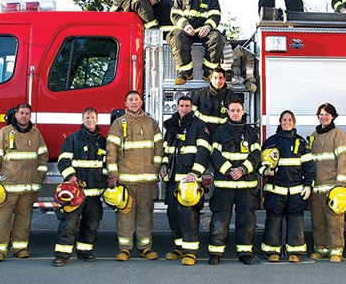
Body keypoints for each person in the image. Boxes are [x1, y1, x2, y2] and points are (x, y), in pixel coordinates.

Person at [0, 103, 48, 262]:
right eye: (22, 113)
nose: (24, 116)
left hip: (28, 187)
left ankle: (20, 248)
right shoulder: (5, 132)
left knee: (24, 219)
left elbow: (43, 155)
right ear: (16, 114)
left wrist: (40, 175)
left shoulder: (36, 134)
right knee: (2, 218)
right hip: (8, 186)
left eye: (27, 113)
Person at [105, 90, 164, 261]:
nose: (134, 103)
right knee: (125, 214)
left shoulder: (151, 123)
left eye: (136, 100)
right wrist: (113, 173)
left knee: (146, 214)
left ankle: (145, 247)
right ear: (126, 104)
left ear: (141, 102)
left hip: (147, 179)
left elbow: (159, 146)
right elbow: (111, 151)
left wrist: (156, 166)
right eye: (130, 100)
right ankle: (125, 248)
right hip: (126, 179)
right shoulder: (118, 123)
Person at [207, 98, 261, 265]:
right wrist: (230, 170)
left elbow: (256, 155)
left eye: (238, 110)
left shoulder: (252, 132)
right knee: (220, 218)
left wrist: (242, 170)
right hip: (225, 184)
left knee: (246, 219)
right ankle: (216, 252)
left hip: (246, 185)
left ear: (243, 111)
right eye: (233, 110)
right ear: (228, 112)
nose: (236, 113)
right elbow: (214, 154)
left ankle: (245, 252)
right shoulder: (220, 131)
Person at [52, 107, 107, 267]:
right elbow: (63, 160)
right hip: (77, 193)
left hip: (95, 192)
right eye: (87, 118)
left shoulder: (102, 141)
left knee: (92, 223)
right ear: (82, 120)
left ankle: (85, 251)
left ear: (97, 119)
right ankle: (62, 255)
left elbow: (106, 165)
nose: (90, 120)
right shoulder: (73, 139)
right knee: (69, 223)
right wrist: (71, 176)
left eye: (92, 117)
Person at [160, 96, 212, 266]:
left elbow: (203, 152)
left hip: (190, 181)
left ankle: (190, 252)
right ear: (177, 107)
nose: (184, 108)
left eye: (187, 106)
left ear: (192, 107)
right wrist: (163, 166)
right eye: (181, 105)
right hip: (173, 182)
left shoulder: (199, 126)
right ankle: (179, 248)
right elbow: (166, 151)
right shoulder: (172, 126)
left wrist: (195, 173)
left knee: (189, 217)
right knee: (173, 215)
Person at [259, 110, 315, 263]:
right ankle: (272, 252)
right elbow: (260, 166)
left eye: (290, 120)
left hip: (296, 190)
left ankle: (295, 252)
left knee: (296, 221)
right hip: (276, 190)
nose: (287, 122)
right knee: (273, 221)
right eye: (284, 120)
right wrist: (266, 171)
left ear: (294, 122)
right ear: (280, 122)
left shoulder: (301, 142)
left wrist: (308, 185)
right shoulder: (271, 141)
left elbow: (309, 167)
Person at [167, 0, 226, 85]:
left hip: (204, 31)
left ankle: (209, 73)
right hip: (186, 31)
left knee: (217, 38)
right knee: (177, 37)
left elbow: (215, 15)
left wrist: (208, 26)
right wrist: (185, 25)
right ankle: (185, 73)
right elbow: (175, 15)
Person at [308, 103, 346, 262]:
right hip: (317, 187)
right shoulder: (314, 135)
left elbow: (344, 159)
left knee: (335, 221)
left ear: (333, 116)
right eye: (321, 114)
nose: (324, 117)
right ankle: (321, 248)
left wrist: (340, 184)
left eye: (327, 114)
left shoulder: (338, 134)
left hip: (333, 187)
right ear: (318, 116)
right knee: (318, 220)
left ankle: (336, 250)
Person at [190, 67, 237, 139]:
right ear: (210, 79)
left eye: (221, 78)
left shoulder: (231, 97)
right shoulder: (199, 94)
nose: (218, 81)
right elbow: (191, 114)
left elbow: (237, 117)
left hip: (223, 133)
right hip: (203, 132)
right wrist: (201, 128)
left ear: (225, 79)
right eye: (215, 78)